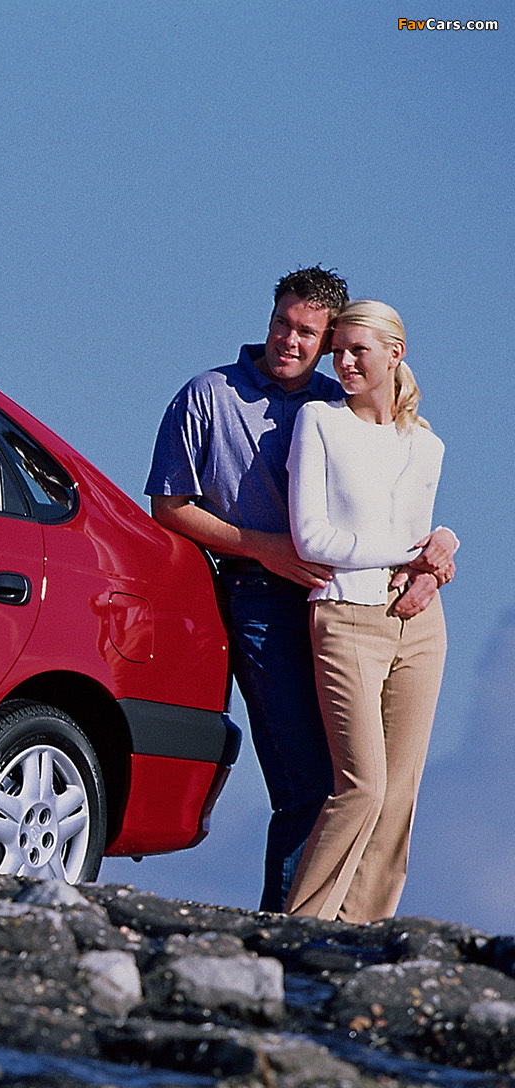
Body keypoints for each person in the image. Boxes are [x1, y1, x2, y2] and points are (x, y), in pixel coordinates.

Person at [145, 269, 456, 910]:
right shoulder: (209, 396)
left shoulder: (339, 402)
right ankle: (288, 931)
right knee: (308, 782)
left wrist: (438, 550)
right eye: (281, 324)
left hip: (343, 598)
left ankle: (339, 925)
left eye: (308, 333)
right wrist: (262, 547)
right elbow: (168, 507)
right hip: (260, 597)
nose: (290, 340)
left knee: (361, 784)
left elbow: (393, 505)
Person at [284, 301, 456, 921]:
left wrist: (444, 543)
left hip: (419, 624)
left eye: (358, 350)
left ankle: (360, 937)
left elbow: (421, 537)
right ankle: (302, 927)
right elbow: (311, 539)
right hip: (345, 616)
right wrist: (414, 553)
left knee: (399, 794)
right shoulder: (319, 422)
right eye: (338, 351)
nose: (345, 362)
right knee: (362, 787)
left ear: (394, 353)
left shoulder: (428, 445)